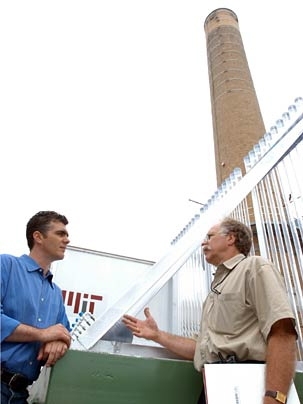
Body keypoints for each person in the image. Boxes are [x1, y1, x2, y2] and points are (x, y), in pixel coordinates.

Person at [123, 217, 297, 404]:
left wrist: (275, 397)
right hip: (216, 387)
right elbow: (202, 349)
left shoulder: (254, 267)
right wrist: (157, 335)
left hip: (246, 384)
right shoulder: (215, 291)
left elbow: (282, 331)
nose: (203, 242)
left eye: (210, 236)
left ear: (230, 238)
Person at [1, 211, 72, 404]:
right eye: (60, 233)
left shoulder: (55, 293)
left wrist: (61, 342)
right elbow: (49, 333)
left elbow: (64, 333)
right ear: (38, 236)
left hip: (20, 394)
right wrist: (42, 335)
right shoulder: (6, 265)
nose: (67, 240)